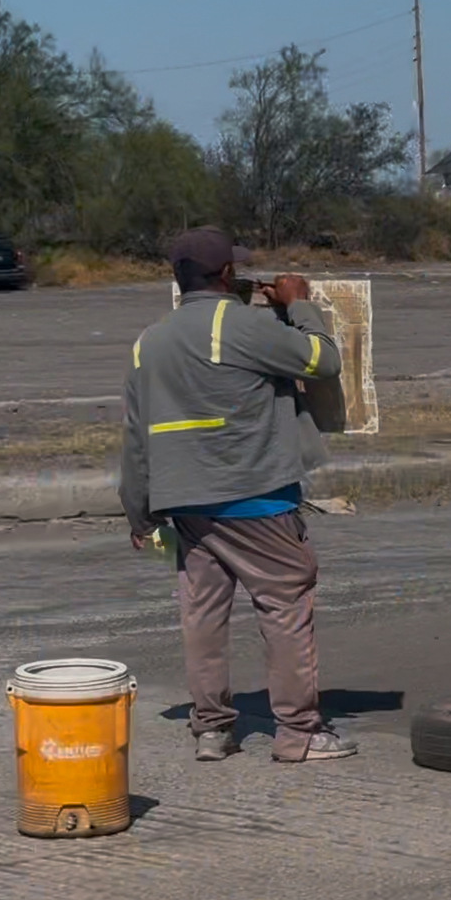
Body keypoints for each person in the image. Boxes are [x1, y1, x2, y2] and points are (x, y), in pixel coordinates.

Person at [119, 226, 358, 765]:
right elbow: (324, 361)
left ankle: (212, 729)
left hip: (189, 508)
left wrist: (139, 514)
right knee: (285, 606)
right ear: (228, 274)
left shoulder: (148, 341)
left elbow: (135, 440)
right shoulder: (243, 326)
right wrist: (299, 306)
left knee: (202, 617)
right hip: (260, 501)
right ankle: (298, 733)